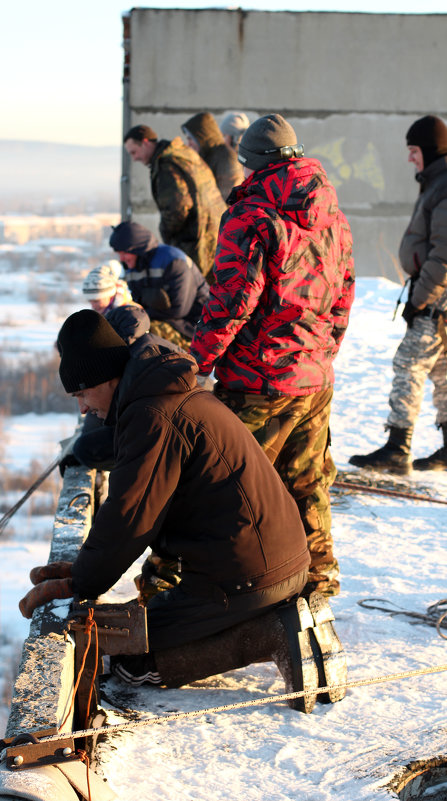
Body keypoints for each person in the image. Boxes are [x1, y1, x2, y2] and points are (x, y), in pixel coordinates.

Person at [19, 309, 347, 713]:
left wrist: (82, 583)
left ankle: (269, 631)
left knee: (131, 664)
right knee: (138, 632)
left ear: (104, 378)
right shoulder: (160, 394)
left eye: (81, 395)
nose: (84, 410)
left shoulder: (152, 414)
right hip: (266, 561)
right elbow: (135, 479)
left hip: (246, 575)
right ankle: (272, 616)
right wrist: (83, 567)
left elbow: (130, 517)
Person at [189, 114, 355, 598]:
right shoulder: (334, 217)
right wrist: (321, 355)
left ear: (250, 164)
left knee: (222, 490)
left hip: (256, 381)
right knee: (307, 483)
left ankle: (192, 595)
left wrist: (199, 363)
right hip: (314, 377)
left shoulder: (250, 215)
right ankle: (318, 581)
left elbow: (230, 302)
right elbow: (343, 294)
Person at [349, 115, 447, 474]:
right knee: (442, 369)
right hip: (436, 295)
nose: (410, 158)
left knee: (408, 363)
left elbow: (444, 254)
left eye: (413, 150)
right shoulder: (437, 182)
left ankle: (397, 448)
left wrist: (419, 299)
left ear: (430, 150)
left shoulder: (444, 186)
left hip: (436, 298)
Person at [123, 124, 226, 279]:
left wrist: (165, 236)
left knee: (197, 295)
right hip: (217, 235)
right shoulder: (183, 154)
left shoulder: (166, 165)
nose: (134, 158)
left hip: (197, 243)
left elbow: (177, 209)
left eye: (134, 152)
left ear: (145, 142)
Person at [109, 220, 209, 349]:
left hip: (196, 329)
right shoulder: (131, 267)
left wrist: (145, 313)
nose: (121, 258)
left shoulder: (173, 261)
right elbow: (138, 302)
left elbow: (179, 309)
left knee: (142, 337)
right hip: (168, 322)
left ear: (137, 248)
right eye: (119, 254)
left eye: (124, 253)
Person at [182, 111, 244, 201]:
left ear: (202, 136)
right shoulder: (206, 156)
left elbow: (227, 200)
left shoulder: (226, 158)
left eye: (190, 139)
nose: (188, 144)